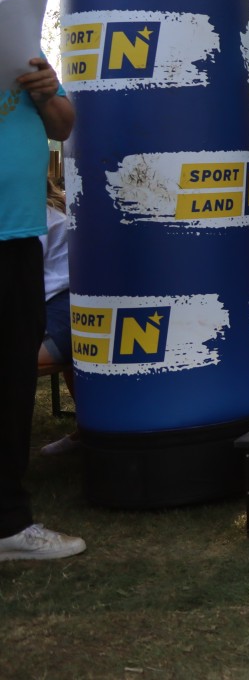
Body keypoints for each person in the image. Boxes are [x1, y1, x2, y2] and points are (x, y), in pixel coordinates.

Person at [0, 55, 84, 561]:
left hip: (18, 234)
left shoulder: (18, 49)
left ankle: (9, 524)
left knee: (13, 382)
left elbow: (63, 125)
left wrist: (48, 91)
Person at [37, 176, 80, 456]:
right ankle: (87, 430)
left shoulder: (39, 219)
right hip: (49, 307)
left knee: (14, 359)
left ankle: (89, 431)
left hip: (66, 309)